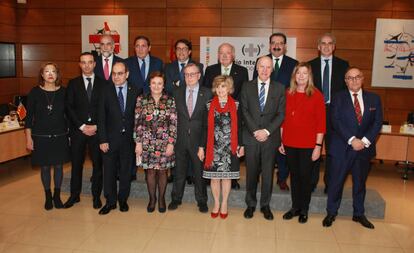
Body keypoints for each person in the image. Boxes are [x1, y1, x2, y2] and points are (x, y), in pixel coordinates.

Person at [322, 67, 382, 229]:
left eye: (357, 77)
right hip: (342, 147)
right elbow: (335, 121)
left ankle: (359, 213)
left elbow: (377, 123)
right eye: (350, 78)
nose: (354, 80)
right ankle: (331, 212)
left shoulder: (374, 99)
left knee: (360, 183)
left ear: (363, 79)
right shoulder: (338, 98)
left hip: (364, 149)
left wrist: (364, 141)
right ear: (345, 81)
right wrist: (352, 139)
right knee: (336, 182)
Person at [279, 62, 326, 224]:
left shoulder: (317, 95)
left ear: (309, 76)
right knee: (294, 176)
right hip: (290, 143)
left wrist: (318, 147)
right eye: (298, 73)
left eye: (304, 73)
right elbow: (283, 121)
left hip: (308, 145)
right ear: (294, 76)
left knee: (305, 178)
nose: (301, 76)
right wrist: (282, 141)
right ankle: (295, 207)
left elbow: (321, 124)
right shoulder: (287, 93)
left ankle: (304, 209)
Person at [241, 56, 285, 220]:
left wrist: (266, 131)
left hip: (270, 138)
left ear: (272, 69)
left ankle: (265, 205)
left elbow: (281, 114)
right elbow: (244, 111)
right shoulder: (246, 86)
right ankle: (250, 204)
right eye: (262, 66)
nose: (265, 70)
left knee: (268, 174)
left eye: (268, 67)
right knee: (251, 173)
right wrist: (255, 130)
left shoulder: (279, 88)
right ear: (256, 68)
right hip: (251, 138)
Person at [253, 32, 298, 191]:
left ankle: (282, 177)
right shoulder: (261, 62)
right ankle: (257, 174)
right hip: (263, 114)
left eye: (280, 43)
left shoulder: (294, 64)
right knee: (261, 146)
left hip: (284, 113)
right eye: (273, 42)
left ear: (285, 46)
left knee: (283, 146)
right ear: (269, 44)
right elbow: (254, 86)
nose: (277, 45)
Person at [97, 62, 142, 215]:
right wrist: (102, 139)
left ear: (127, 74)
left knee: (125, 172)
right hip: (109, 139)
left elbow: (139, 118)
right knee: (108, 172)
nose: (116, 76)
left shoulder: (136, 90)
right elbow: (101, 117)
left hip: (129, 140)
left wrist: (138, 141)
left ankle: (123, 200)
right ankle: (110, 202)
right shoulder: (105, 91)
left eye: (120, 73)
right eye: (114, 74)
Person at [25, 62, 70, 210]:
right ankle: (47, 196)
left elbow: (69, 116)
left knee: (58, 167)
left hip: (60, 135)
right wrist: (28, 138)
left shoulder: (64, 92)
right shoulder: (34, 92)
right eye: (47, 71)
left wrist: (70, 135)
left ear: (57, 74)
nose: (50, 74)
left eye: (53, 71)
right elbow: (29, 118)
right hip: (41, 137)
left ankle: (57, 196)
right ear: (42, 75)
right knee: (44, 168)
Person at [168, 63, 212, 213]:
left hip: (198, 140)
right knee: (179, 170)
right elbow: (172, 118)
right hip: (180, 139)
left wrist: (203, 145)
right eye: (186, 74)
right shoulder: (176, 92)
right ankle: (176, 198)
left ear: (199, 75)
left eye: (192, 74)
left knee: (199, 172)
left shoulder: (207, 94)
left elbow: (207, 123)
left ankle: (201, 200)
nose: (189, 77)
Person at [203, 42, 248, 189]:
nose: (224, 55)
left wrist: (233, 108)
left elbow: (243, 93)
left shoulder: (242, 71)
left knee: (232, 157)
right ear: (218, 55)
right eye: (221, 52)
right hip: (215, 114)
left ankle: (232, 180)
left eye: (227, 52)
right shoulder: (210, 70)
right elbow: (207, 91)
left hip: (233, 115)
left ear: (233, 55)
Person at [308, 33, 349, 193]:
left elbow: (346, 92)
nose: (326, 46)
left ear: (334, 46)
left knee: (333, 151)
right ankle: (311, 183)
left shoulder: (343, 65)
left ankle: (330, 183)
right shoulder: (310, 65)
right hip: (314, 115)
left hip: (335, 114)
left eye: (329, 43)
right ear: (318, 47)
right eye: (323, 43)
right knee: (313, 148)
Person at [64, 52, 105, 209]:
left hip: (97, 131)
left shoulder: (103, 84)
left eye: (90, 62)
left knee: (97, 165)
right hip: (78, 131)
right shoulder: (73, 83)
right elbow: (69, 108)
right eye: (83, 62)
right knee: (76, 164)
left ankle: (96, 196)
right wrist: (81, 126)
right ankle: (74, 196)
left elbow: (105, 108)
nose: (87, 65)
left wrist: (96, 126)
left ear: (95, 64)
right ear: (79, 64)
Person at [201, 75, 244, 219]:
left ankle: (224, 203)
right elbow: (204, 128)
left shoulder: (237, 105)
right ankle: (216, 203)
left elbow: (241, 128)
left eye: (223, 86)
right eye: (218, 86)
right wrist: (201, 147)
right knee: (214, 178)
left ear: (229, 88)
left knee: (226, 178)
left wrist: (241, 145)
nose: (220, 89)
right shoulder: (208, 104)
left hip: (230, 148)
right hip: (212, 148)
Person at [135, 71, 177, 213]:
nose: (156, 86)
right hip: (147, 142)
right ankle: (152, 199)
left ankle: (162, 199)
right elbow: (138, 122)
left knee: (163, 172)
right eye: (154, 83)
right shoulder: (142, 99)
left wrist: (171, 143)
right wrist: (138, 142)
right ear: (149, 84)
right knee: (150, 172)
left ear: (164, 84)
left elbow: (173, 122)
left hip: (165, 143)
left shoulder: (170, 100)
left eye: (159, 83)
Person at [164, 39, 204, 184]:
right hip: (177, 110)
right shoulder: (168, 67)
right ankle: (175, 174)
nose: (181, 51)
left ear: (189, 51)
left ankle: (191, 175)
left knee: (193, 146)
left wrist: (177, 84)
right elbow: (168, 88)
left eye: (184, 48)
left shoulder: (199, 66)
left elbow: (199, 87)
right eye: (178, 48)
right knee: (178, 147)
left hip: (193, 110)